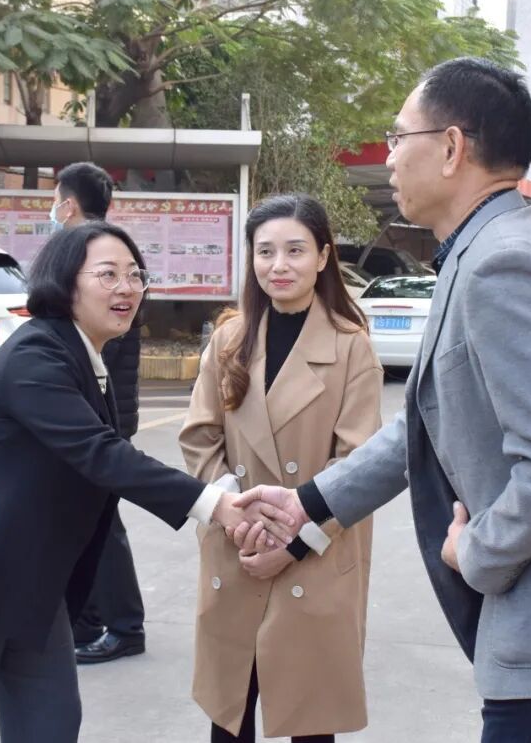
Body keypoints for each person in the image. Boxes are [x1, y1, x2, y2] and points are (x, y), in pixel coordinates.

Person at [234, 57, 531, 743]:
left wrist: (476, 550)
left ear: (451, 147)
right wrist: (309, 503)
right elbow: (426, 419)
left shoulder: (505, 264)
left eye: (399, 137)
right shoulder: (483, 250)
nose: (390, 156)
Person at [0, 222, 295, 743]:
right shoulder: (35, 355)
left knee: (51, 725)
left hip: (32, 587)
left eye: (134, 275)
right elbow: (99, 453)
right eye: (108, 275)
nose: (126, 288)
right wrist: (215, 503)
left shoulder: (84, 355)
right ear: (65, 282)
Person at [180, 194, 383, 742]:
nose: (279, 265)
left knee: (309, 718)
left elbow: (358, 465)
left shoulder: (351, 347)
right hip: (237, 545)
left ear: (323, 257)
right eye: (265, 251)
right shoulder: (229, 338)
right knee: (230, 716)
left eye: (295, 250)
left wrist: (291, 544)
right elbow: (200, 437)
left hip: (316, 551)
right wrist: (236, 517)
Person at [49, 162, 148, 664]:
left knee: (103, 523)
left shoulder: (96, 260)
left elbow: (102, 349)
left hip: (100, 410)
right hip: (100, 408)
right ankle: (86, 620)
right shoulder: (108, 254)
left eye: (55, 199)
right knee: (81, 518)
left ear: (68, 204)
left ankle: (126, 626)